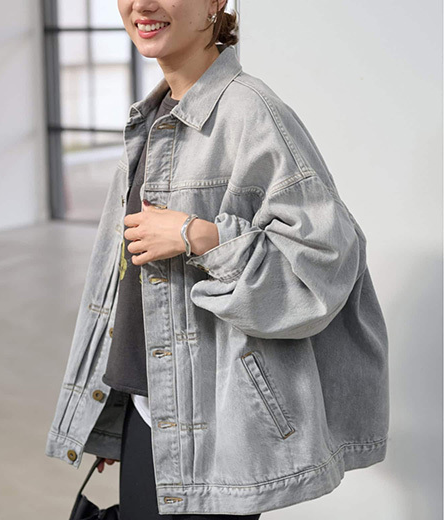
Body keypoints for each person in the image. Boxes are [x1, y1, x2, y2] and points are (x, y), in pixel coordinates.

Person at [45, 0, 389, 517]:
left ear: (215, 3)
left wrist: (199, 237)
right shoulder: (154, 115)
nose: (142, 4)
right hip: (152, 409)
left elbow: (323, 267)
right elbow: (130, 285)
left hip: (217, 428)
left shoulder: (251, 113)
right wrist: (115, 413)